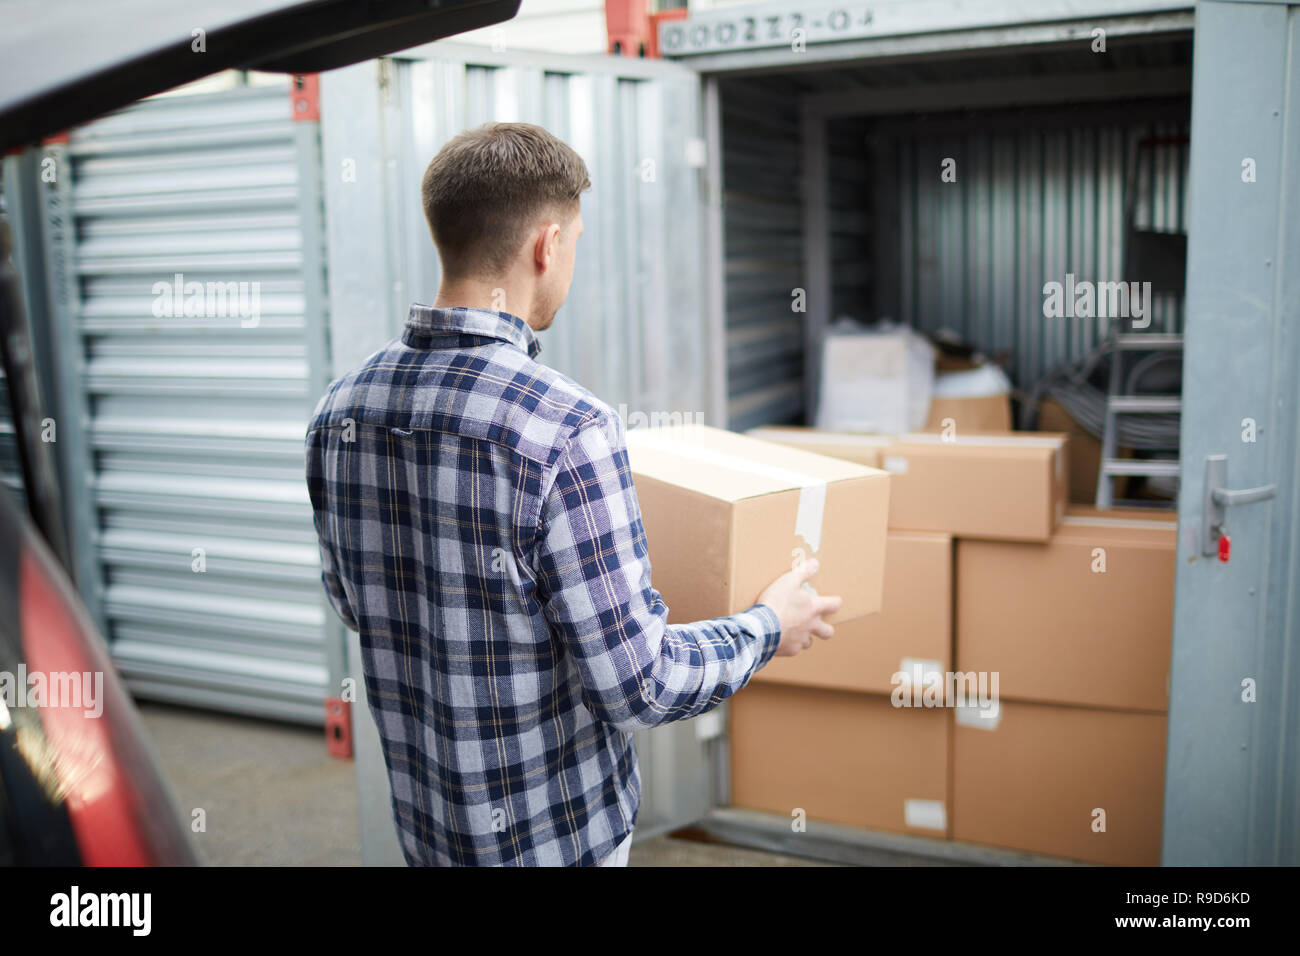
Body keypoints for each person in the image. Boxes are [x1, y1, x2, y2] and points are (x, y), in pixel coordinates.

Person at [304, 122, 840, 867]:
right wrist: (767, 627)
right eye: (576, 244)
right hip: (555, 842)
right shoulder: (567, 427)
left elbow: (356, 601)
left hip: (428, 829)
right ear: (546, 246)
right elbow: (639, 684)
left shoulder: (341, 410)